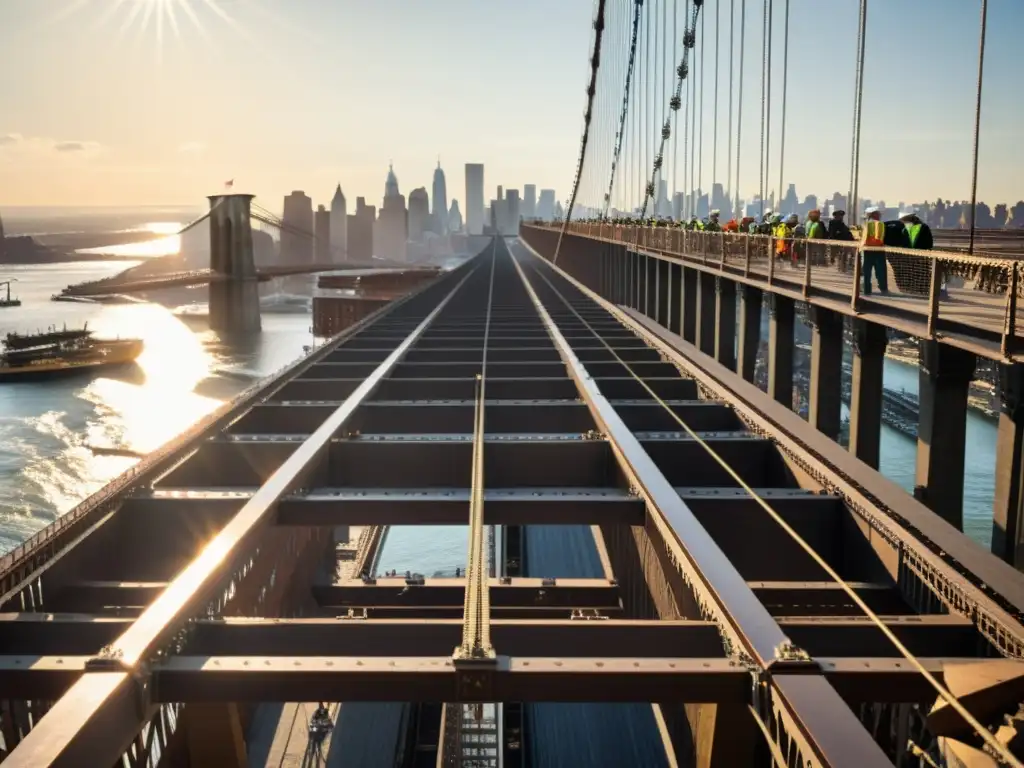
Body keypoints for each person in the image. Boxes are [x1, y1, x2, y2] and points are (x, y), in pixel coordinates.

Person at [860, 206, 888, 294]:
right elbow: (881, 237)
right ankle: (883, 288)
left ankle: (866, 289)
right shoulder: (881, 224)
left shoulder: (866, 224)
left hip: (868, 250)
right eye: (878, 214)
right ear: (874, 214)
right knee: (880, 271)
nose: (880, 215)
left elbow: (863, 237)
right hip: (879, 250)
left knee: (866, 271)